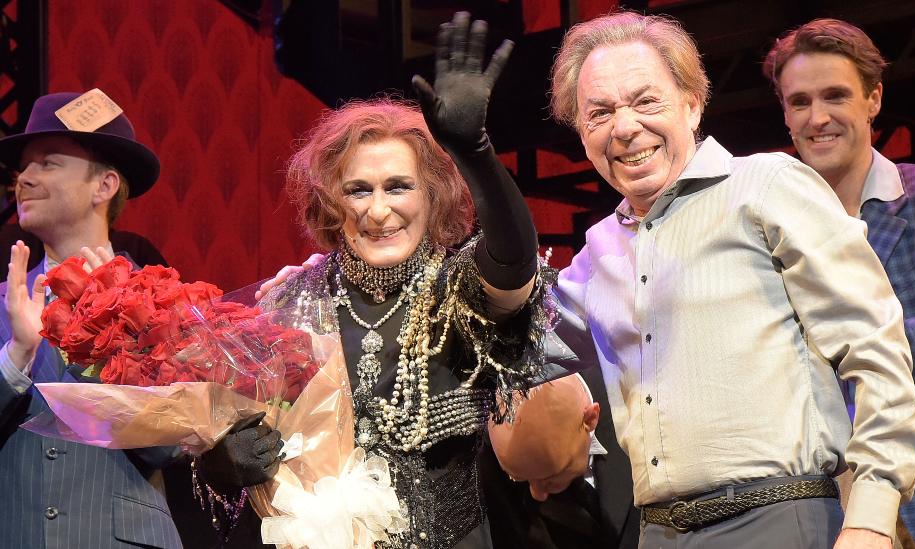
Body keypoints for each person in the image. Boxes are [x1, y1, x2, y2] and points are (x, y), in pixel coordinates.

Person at [533, 11, 915, 549]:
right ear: (582, 134)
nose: (624, 127)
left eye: (646, 101)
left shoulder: (767, 185)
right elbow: (526, 345)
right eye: (599, 112)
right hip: (658, 533)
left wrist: (871, 516)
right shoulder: (598, 251)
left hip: (777, 519)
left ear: (693, 103)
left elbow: (877, 349)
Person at [224, 13, 548, 548]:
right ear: (331, 204)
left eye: (398, 187)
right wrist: (225, 458)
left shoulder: (459, 289)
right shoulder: (289, 302)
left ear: (433, 195)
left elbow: (514, 262)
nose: (378, 211)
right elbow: (237, 422)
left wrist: (476, 152)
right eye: (357, 191)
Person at [763, 19, 915, 548]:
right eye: (799, 102)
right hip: (816, 506)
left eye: (835, 96)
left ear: (873, 99)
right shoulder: (765, 226)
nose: (818, 118)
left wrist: (830, 355)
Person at [0, 91, 183, 548]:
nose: (24, 178)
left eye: (47, 163)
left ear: (103, 186)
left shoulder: (159, 300)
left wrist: (115, 337)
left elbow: (170, 445)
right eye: (23, 167)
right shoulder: (6, 301)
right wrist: (17, 354)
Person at [483, 371, 640, 549]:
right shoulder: (489, 468)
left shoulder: (640, 407)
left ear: (589, 419)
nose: (537, 494)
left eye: (550, 476)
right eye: (519, 478)